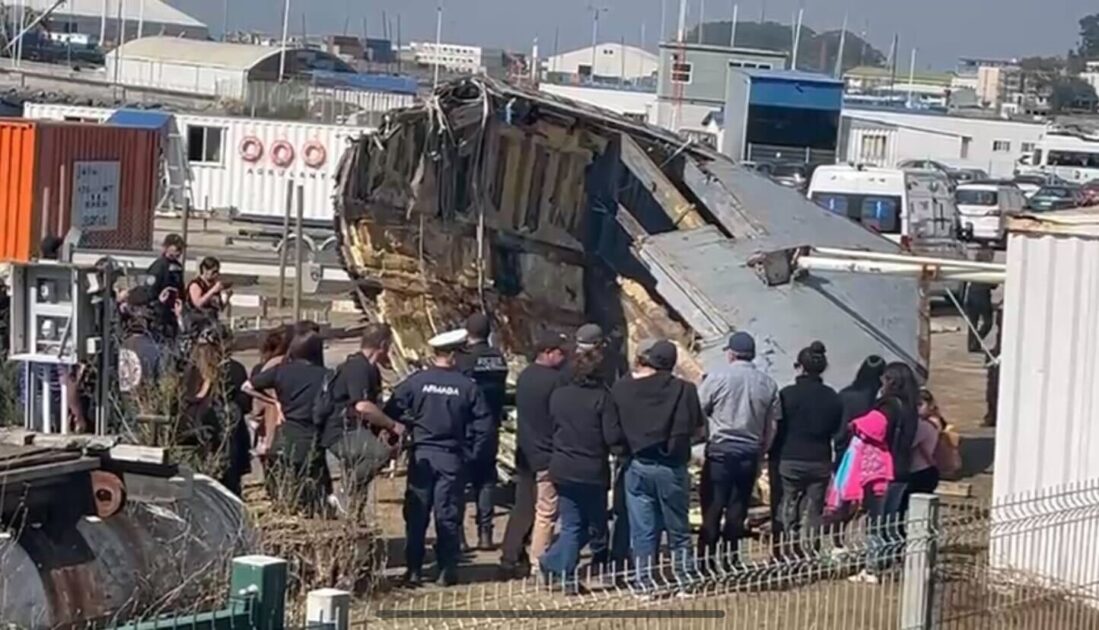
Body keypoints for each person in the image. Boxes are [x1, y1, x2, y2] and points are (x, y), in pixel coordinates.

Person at [383, 329, 494, 587]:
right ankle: (446, 570)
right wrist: (472, 454)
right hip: (451, 457)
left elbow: (391, 409)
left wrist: (410, 424)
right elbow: (485, 426)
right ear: (453, 355)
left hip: (422, 455)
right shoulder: (467, 386)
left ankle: (413, 570)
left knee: (416, 515)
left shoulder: (416, 382)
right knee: (448, 514)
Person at [612, 339, 703, 590]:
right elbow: (698, 428)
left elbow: (614, 429)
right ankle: (685, 580)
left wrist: (624, 451)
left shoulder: (623, 389)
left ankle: (644, 582)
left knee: (643, 531)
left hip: (638, 463)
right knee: (678, 529)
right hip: (672, 466)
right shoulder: (684, 390)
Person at [538, 346, 622, 594]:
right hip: (591, 469)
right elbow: (612, 436)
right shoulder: (602, 398)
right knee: (589, 525)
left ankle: (552, 561)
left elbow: (552, 426)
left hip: (563, 466)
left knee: (572, 524)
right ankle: (565, 574)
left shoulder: (559, 396)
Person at [697, 331, 780, 566]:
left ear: (731, 354)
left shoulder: (717, 377)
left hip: (720, 451)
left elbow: (698, 408)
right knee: (738, 508)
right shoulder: (768, 384)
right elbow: (772, 425)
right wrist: (762, 451)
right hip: (749, 453)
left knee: (712, 507)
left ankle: (705, 561)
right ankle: (731, 560)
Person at [499, 330, 570, 580]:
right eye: (561, 352)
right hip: (547, 452)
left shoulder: (525, 376)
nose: (564, 357)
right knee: (546, 511)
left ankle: (510, 555)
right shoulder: (556, 381)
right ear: (548, 352)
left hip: (525, 451)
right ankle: (539, 561)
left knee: (523, 507)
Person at [321, 324, 404, 512]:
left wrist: (381, 429)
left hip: (356, 430)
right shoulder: (357, 367)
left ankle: (353, 516)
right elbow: (363, 407)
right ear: (383, 345)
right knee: (379, 454)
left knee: (360, 471)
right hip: (341, 432)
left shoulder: (370, 369)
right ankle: (344, 492)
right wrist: (393, 425)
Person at [245, 331, 329, 514]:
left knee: (286, 480)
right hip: (311, 433)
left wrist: (274, 401)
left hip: (285, 432)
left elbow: (247, 386)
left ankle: (289, 508)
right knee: (312, 482)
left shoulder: (281, 370)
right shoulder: (325, 375)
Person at [775, 341, 843, 558]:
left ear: (800, 367)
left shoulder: (787, 394)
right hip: (820, 459)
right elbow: (837, 429)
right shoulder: (832, 397)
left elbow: (778, 426)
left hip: (791, 457)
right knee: (814, 508)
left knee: (789, 503)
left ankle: (789, 547)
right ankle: (811, 550)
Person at [455, 313, 509, 551]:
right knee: (486, 481)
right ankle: (485, 534)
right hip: (490, 426)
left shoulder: (463, 359)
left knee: (459, 482)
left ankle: (459, 536)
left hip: (466, 428)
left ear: (467, 332)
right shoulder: (498, 358)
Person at [827, 355, 886, 551]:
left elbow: (836, 426)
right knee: (868, 501)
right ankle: (862, 540)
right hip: (869, 454)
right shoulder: (877, 402)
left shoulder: (845, 394)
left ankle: (838, 539)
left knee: (843, 497)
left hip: (844, 452)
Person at [180, 333, 251, 496]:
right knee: (229, 483)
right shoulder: (233, 369)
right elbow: (245, 404)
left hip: (195, 435)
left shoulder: (189, 371)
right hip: (227, 435)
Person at [251, 326, 292, 458]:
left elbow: (257, 406)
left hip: (268, 429)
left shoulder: (261, 369)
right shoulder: (290, 364)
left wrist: (256, 420)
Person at [905, 390, 944, 503]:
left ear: (930, 405)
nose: (917, 408)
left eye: (920, 404)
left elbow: (907, 444)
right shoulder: (935, 421)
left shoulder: (923, 426)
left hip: (919, 471)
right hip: (928, 468)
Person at [147, 234, 186, 340]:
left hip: (173, 311)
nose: (178, 252)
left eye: (180, 249)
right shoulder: (159, 266)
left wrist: (181, 301)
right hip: (159, 312)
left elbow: (180, 288)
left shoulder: (177, 267)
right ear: (166, 248)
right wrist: (158, 302)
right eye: (176, 249)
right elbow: (150, 290)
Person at [962, 250, 996, 353]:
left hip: (971, 294)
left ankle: (971, 345)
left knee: (973, 323)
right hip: (983, 296)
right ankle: (975, 342)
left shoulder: (974, 268)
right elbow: (994, 285)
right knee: (988, 323)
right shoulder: (988, 269)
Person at [185, 257, 230, 333]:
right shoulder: (196, 284)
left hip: (212, 321)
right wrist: (212, 291)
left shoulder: (214, 285)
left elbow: (219, 308)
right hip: (197, 323)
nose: (216, 275)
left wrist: (227, 297)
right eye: (213, 272)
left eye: (217, 272)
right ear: (204, 270)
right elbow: (198, 303)